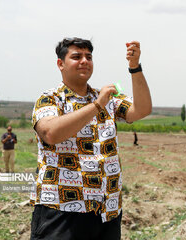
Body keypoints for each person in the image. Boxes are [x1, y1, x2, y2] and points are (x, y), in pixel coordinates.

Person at [30, 37, 152, 240]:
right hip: (62, 210)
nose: (84, 61)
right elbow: (51, 133)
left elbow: (142, 109)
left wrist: (134, 67)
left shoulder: (107, 99)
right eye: (76, 57)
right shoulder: (50, 99)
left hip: (107, 210)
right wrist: (97, 105)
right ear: (60, 64)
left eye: (88, 56)